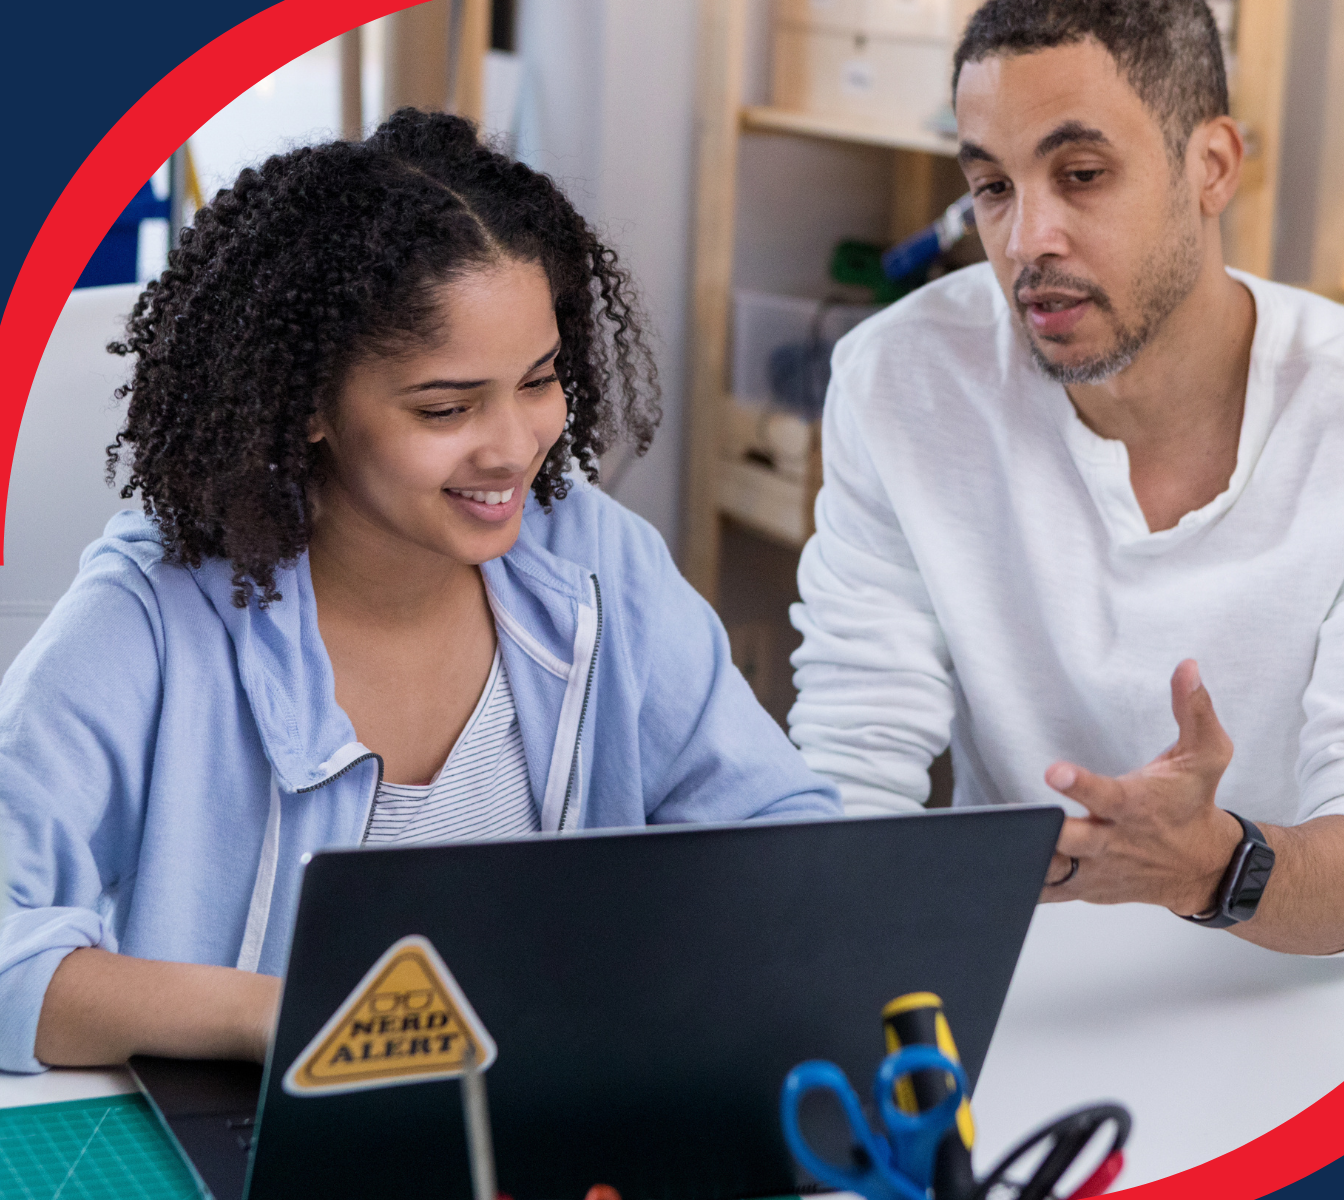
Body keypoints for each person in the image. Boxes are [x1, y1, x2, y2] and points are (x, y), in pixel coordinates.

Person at [0, 109, 839, 1075]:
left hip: (549, 1115)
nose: (516, 446)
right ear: (307, 404)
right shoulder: (152, 616)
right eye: (445, 408)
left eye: (538, 381)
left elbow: (786, 839)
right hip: (267, 1131)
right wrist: (280, 1016)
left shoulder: (599, 562)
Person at [788, 0, 1344, 957]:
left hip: (1287, 970)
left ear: (1211, 167)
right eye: (993, 187)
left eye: (1081, 176)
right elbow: (852, 765)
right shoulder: (899, 379)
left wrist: (1211, 865)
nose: (1026, 239)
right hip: (1018, 973)